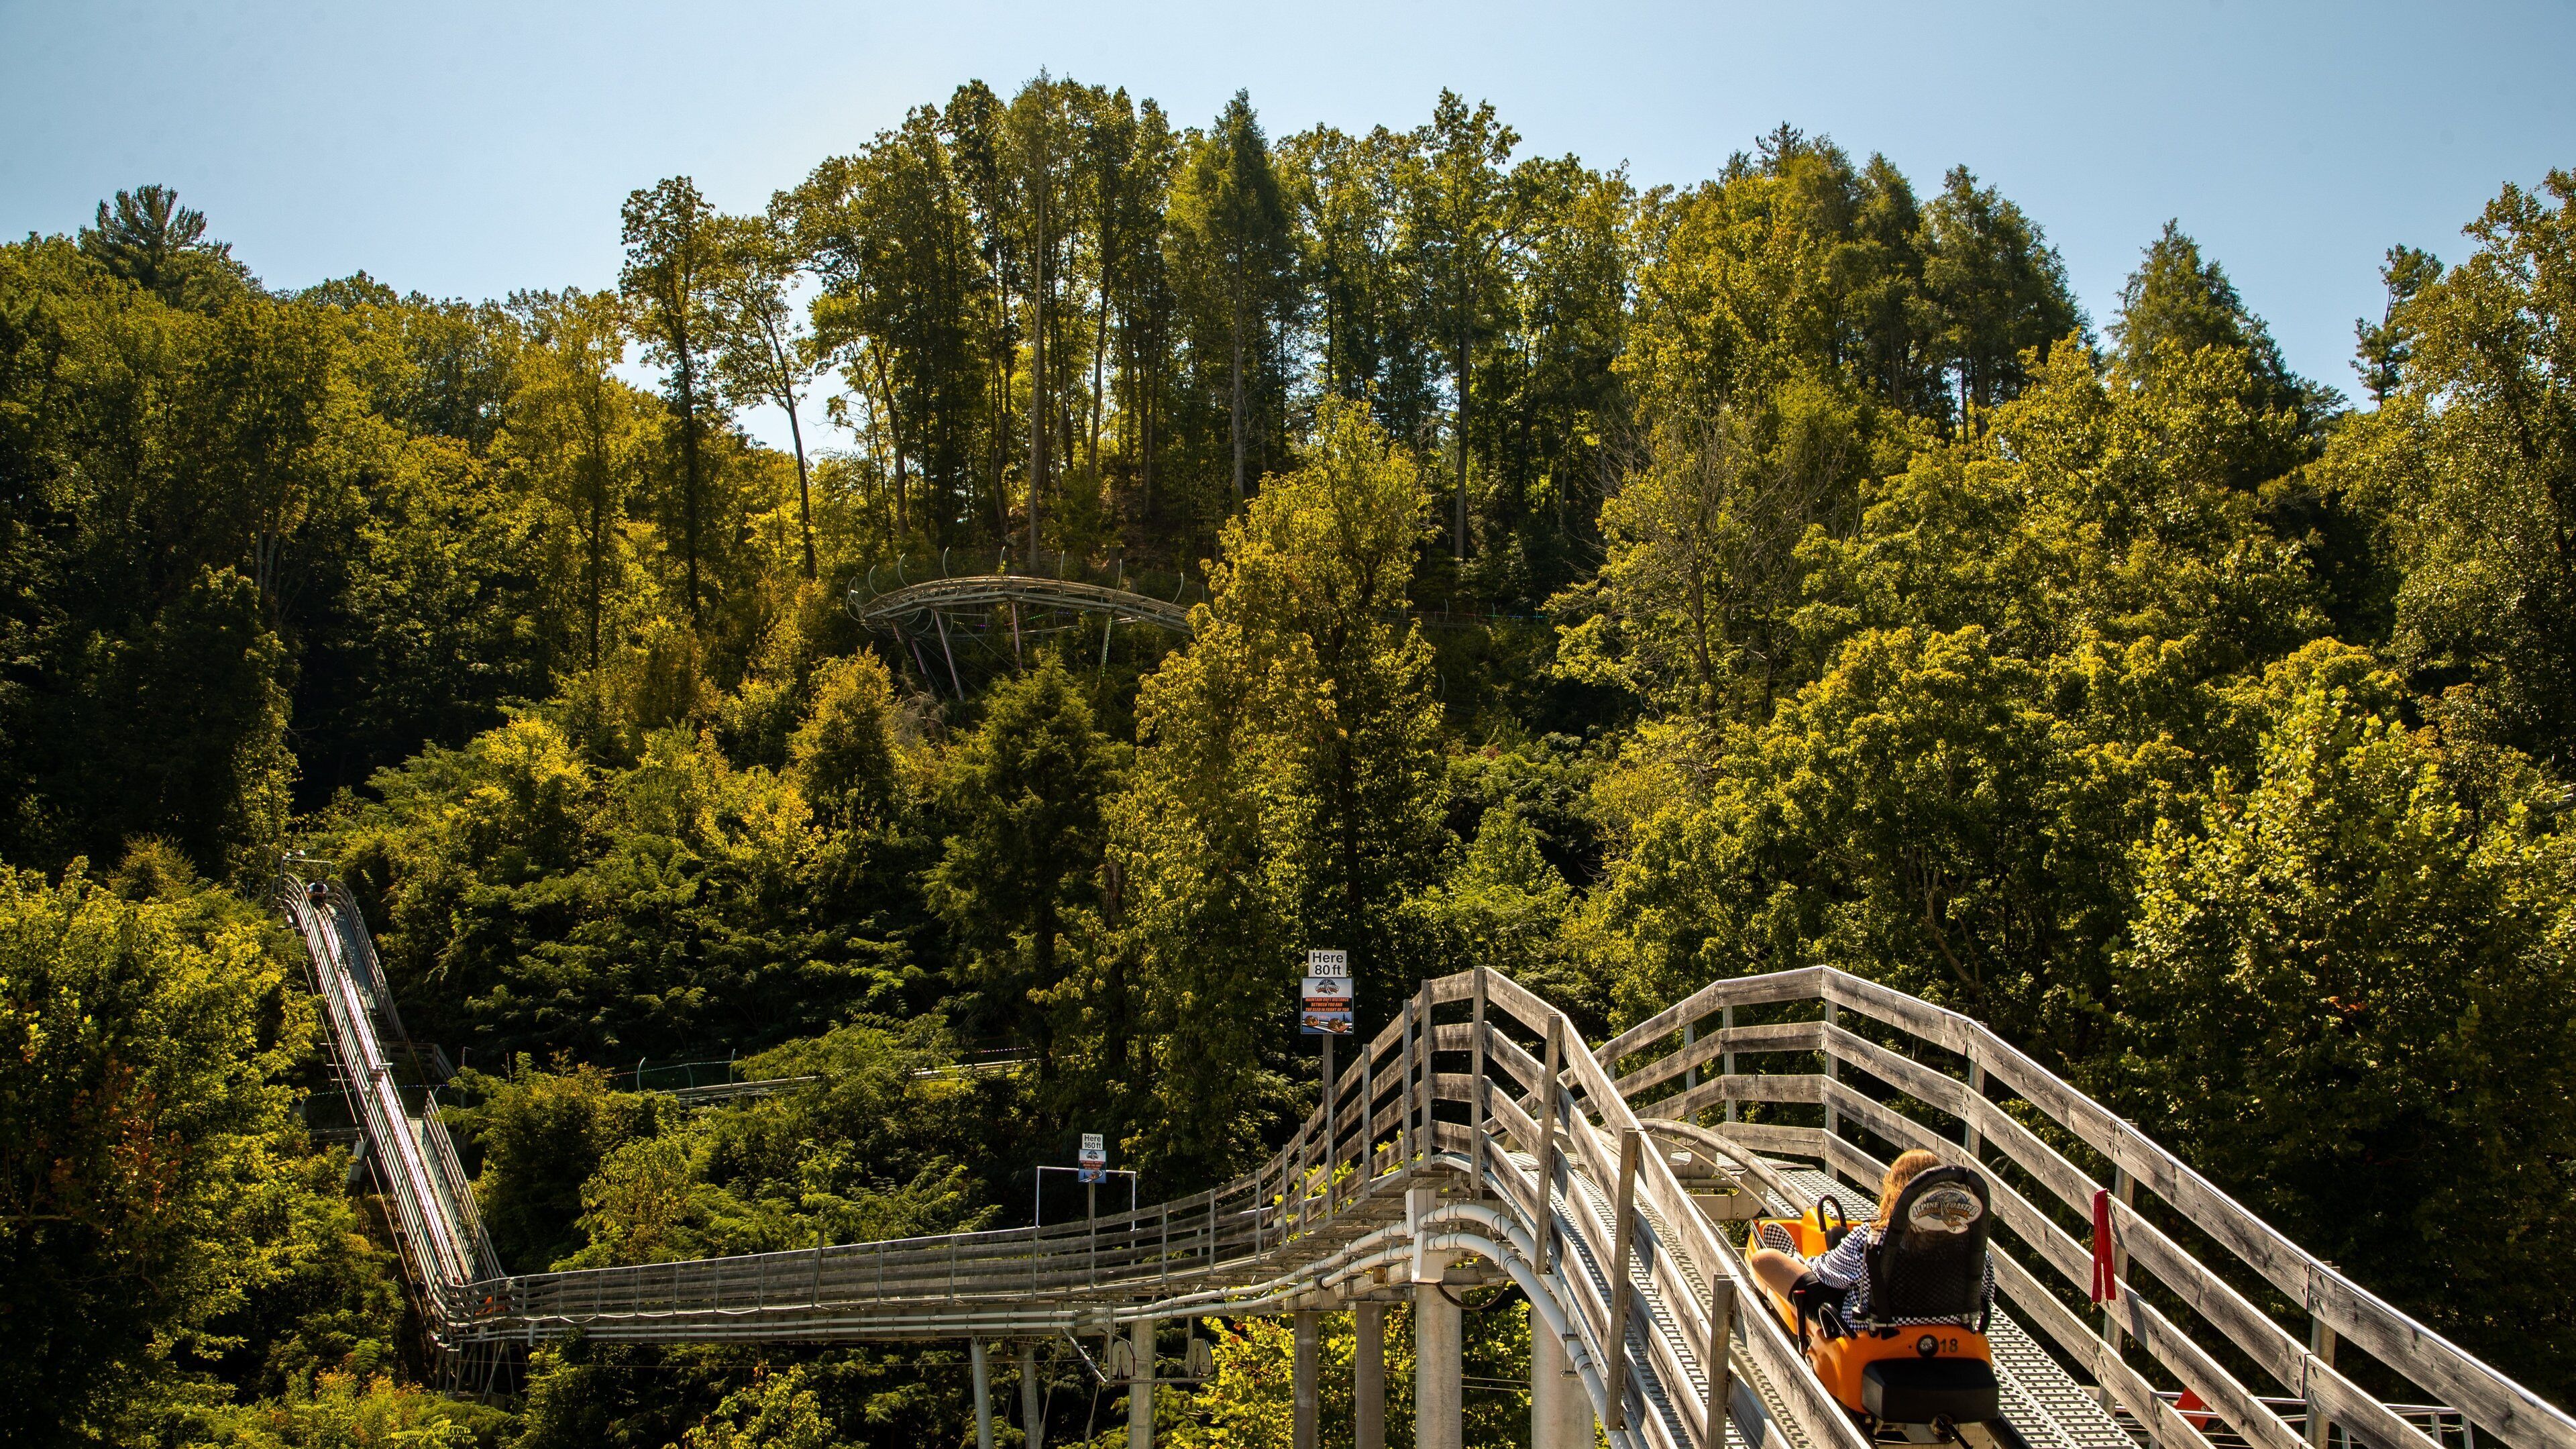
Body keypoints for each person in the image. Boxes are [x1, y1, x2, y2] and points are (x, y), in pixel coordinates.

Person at [1752, 1148, 1978, 1333]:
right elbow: (1983, 1297)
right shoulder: (1972, 1249)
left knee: (1765, 1259)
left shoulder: (1874, 1240)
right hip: (1949, 1339)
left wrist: (1808, 1263)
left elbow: (1825, 1274)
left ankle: (1795, 1257)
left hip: (1875, 1335)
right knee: (1853, 1274)